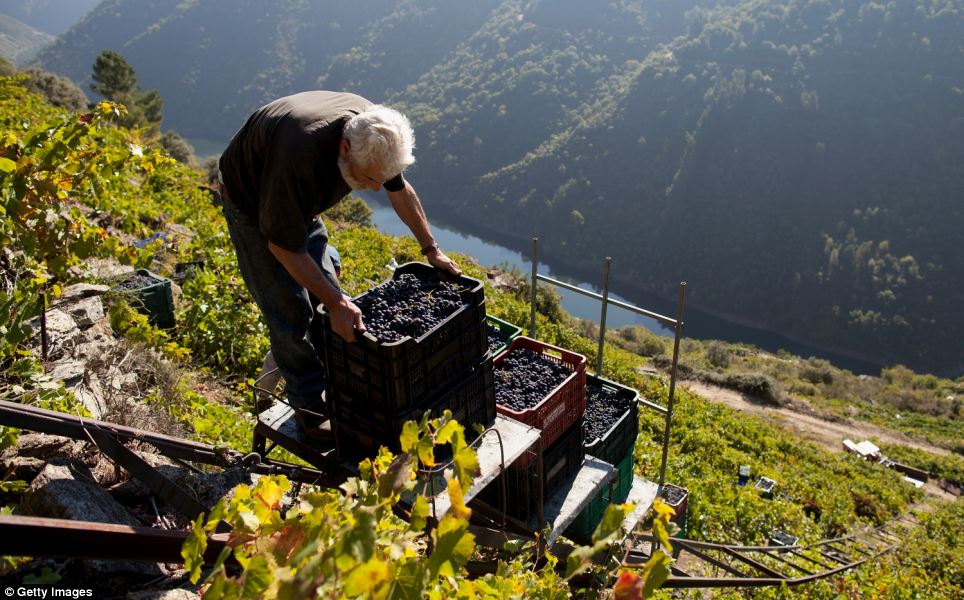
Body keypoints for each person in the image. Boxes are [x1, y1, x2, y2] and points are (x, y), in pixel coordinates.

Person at [218, 91, 460, 438]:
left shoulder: (375, 134)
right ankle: (309, 409)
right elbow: (283, 247)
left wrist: (431, 249)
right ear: (344, 149)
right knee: (290, 309)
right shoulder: (299, 155)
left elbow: (398, 188)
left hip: (298, 201)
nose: (376, 188)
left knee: (329, 299)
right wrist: (335, 302)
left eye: (381, 178)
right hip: (251, 202)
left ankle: (339, 385)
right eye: (369, 178)